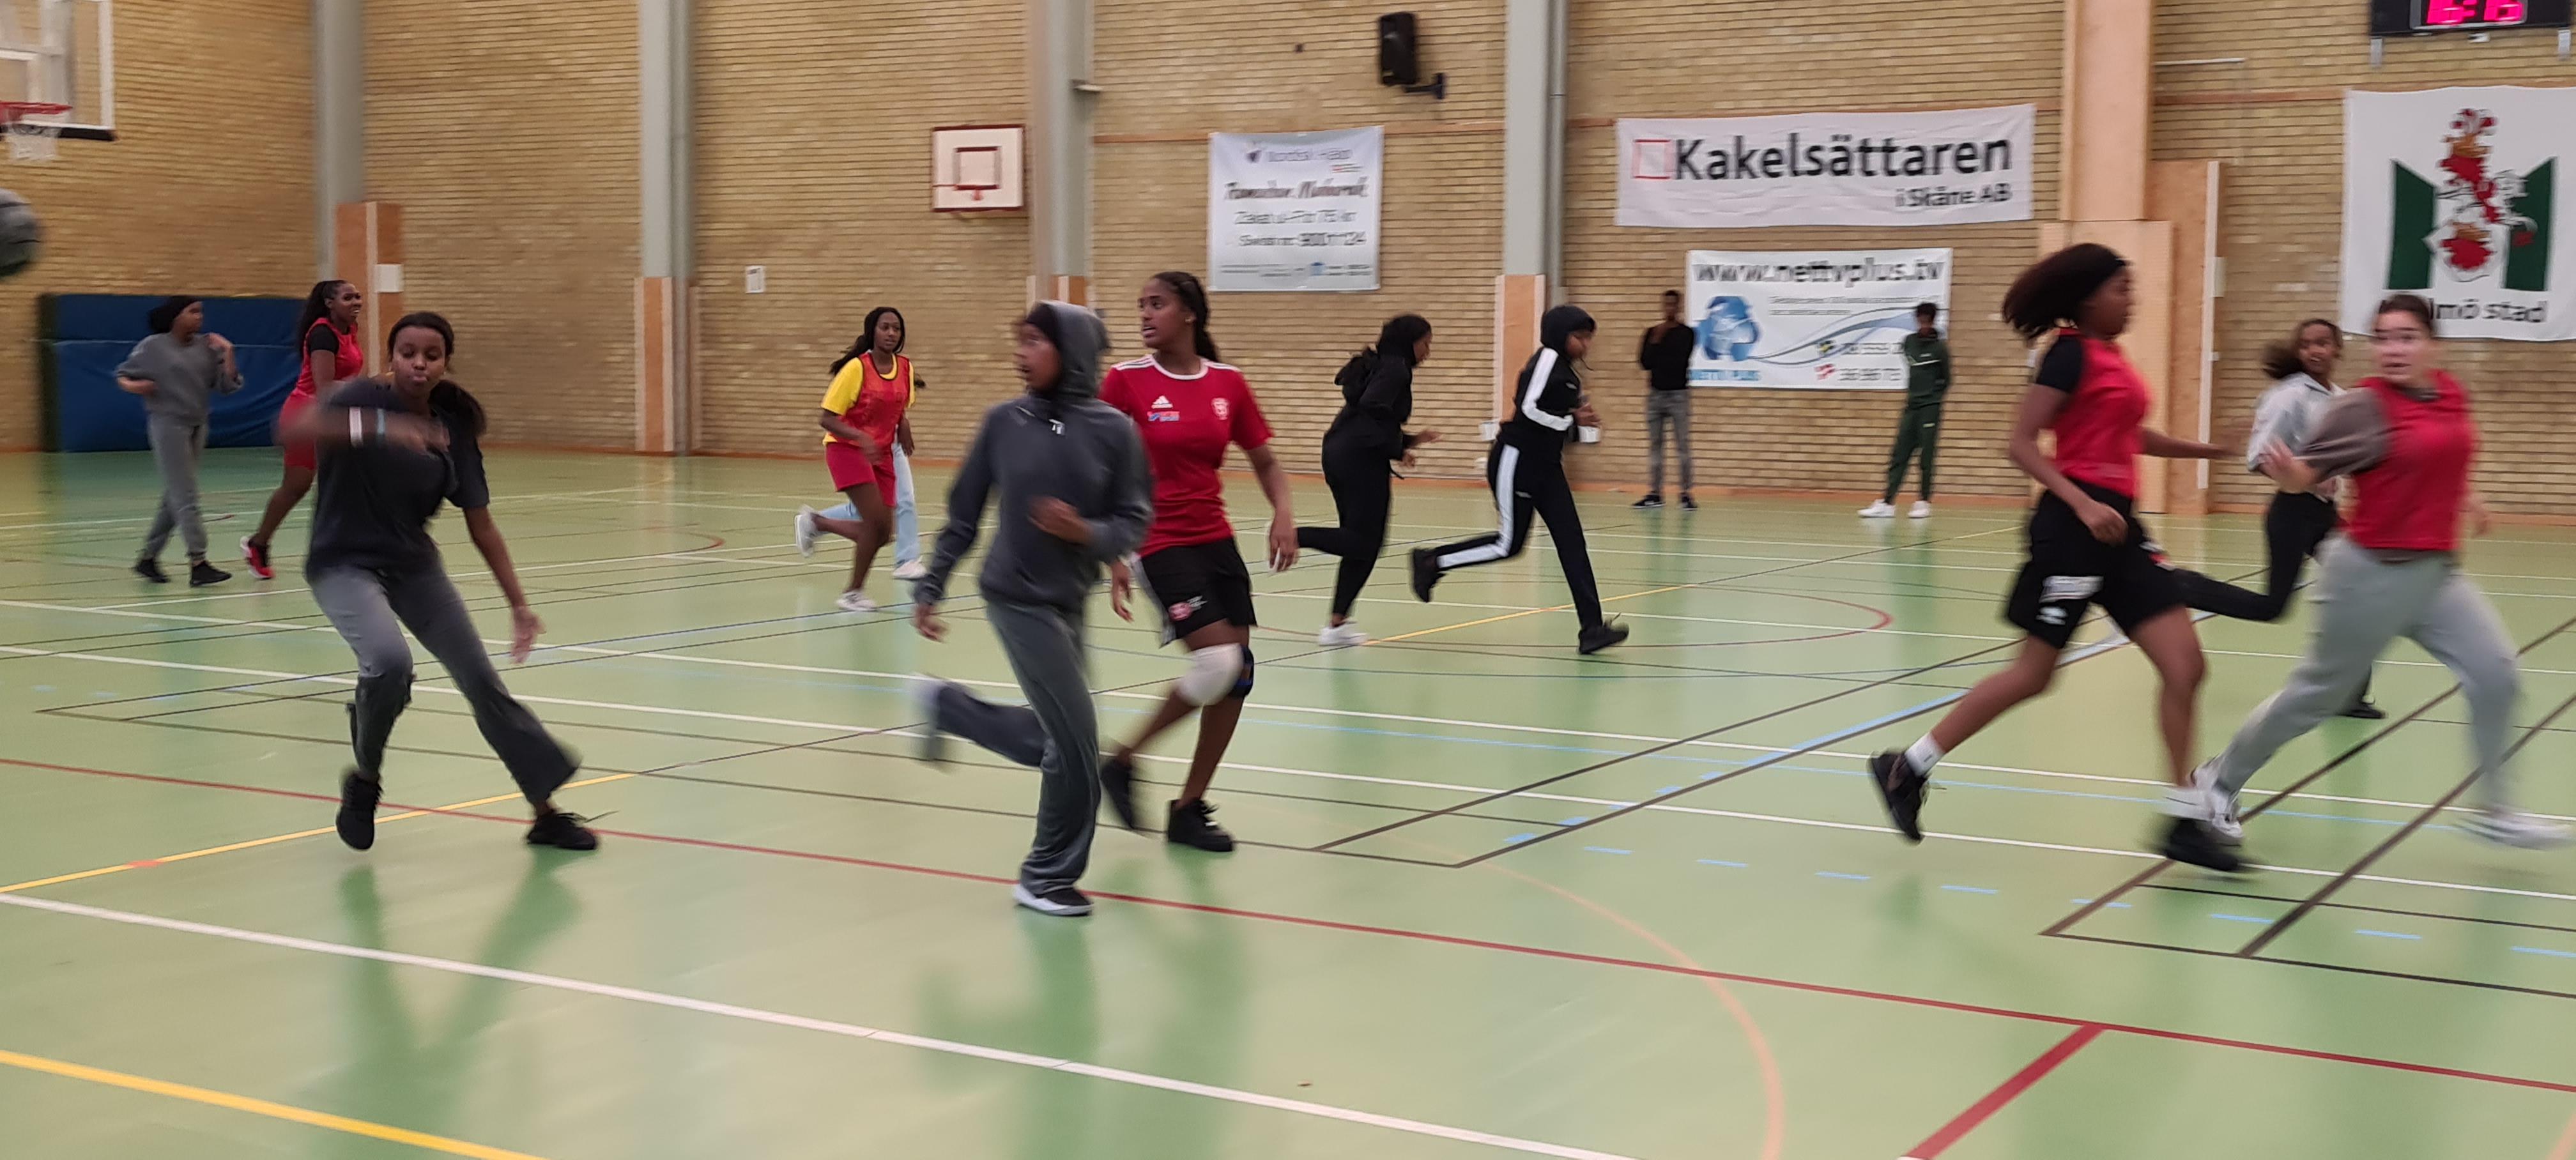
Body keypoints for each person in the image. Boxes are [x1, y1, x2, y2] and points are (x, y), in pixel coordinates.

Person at [1859, 244, 2239, 870]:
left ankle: (2184, 818)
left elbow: (2128, 435)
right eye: (2121, 289)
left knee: (2185, 664)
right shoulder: (2066, 353)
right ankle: (1908, 766)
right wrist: (2082, 503)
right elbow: (2020, 443)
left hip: (2121, 529)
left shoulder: (2110, 357)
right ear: (2087, 299)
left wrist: (2211, 452)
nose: (2131, 299)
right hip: (2073, 529)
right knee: (2035, 673)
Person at [2190, 295, 2569, 852]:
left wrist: (2465, 496)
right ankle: (2217, 782)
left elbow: (2442, 455)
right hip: (2367, 574)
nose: (2393, 349)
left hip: (2435, 575)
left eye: (2406, 337)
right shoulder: (2364, 408)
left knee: (2497, 674)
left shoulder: (2449, 393)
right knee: (2316, 697)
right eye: (2383, 338)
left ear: (2433, 346)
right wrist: (2288, 472)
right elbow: (2304, 476)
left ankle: (2496, 810)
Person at [278, 312, 597, 853]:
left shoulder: (453, 426)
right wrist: (382, 429)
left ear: (446, 362)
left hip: (414, 567)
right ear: (392, 357)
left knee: (481, 681)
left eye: (432, 355)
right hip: (343, 562)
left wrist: (519, 605)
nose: (419, 364)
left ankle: (544, 813)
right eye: (408, 353)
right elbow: (294, 428)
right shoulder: (360, 398)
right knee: (389, 663)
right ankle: (366, 780)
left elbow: (481, 524)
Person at [912, 301, 1153, 917]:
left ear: (1070, 351)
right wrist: (932, 584)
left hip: (1070, 599)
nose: (1020, 355)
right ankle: (1045, 877)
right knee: (1077, 745)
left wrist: (1088, 535)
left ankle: (950, 708)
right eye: (1018, 341)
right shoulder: (1004, 422)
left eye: (1033, 342)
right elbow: (964, 512)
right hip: (1014, 597)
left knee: (1061, 739)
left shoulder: (1115, 430)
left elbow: (1133, 520)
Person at [1092, 271, 1297, 853]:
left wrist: (1283, 513)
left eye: (1156, 304)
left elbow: (1265, 461)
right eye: (1141, 305)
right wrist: (1113, 552)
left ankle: (1188, 809)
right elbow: (1098, 466)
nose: (1145, 314)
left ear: (1189, 313)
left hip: (1216, 539)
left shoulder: (1227, 383)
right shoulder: (1126, 381)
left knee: (1240, 673)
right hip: (1157, 539)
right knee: (1218, 661)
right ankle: (1123, 761)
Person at [2170, 318, 2382, 719]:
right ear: (2299, 351)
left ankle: (2349, 696)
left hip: (2324, 515)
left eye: (2323, 343)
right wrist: (2304, 478)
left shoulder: (2339, 398)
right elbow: (2259, 455)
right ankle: (2184, 585)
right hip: (2292, 513)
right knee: (2274, 607)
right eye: (2307, 344)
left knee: (2360, 590)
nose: (2315, 350)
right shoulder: (2289, 396)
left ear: (2338, 348)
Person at [1410, 305, 1630, 655]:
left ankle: (1592, 629)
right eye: (1580, 337)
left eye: (1589, 338)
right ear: (1561, 336)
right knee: (1508, 545)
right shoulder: (1547, 360)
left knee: (1572, 543)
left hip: (1547, 466)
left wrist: (1577, 419)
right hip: (1517, 460)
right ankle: (1432, 561)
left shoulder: (1567, 371)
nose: (1586, 345)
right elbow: (1528, 408)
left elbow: (1555, 418)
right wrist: (1573, 421)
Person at [1296, 314, 1438, 646]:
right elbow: (1374, 406)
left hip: (1344, 452)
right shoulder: (1396, 369)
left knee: (1362, 542)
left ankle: (1337, 624)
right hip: (1357, 459)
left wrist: (1407, 443)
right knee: (1364, 543)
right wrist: (1397, 447)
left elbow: (1369, 417)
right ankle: (1293, 537)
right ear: (1409, 343)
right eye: (1425, 344)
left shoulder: (1384, 365)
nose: (1428, 352)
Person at [794, 307, 916, 611]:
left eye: (896, 329)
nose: (891, 333)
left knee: (884, 534)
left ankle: (817, 522)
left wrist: (903, 425)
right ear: (872, 331)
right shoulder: (856, 369)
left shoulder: (905, 368)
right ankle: (852, 593)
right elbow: (827, 418)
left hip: (882, 454)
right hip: (847, 449)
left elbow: (898, 403)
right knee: (874, 524)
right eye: (885, 327)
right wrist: (861, 438)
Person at [243, 280, 364, 580]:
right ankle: (259, 543)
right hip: (307, 415)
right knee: (296, 486)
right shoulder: (323, 334)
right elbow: (325, 389)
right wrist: (369, 388)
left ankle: (350, 548)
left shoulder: (350, 329)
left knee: (352, 480)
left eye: (358, 296)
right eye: (348, 298)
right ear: (329, 303)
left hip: (335, 415)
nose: (356, 302)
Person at [117, 296, 241, 587]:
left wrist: (229, 352)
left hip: (198, 424)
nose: (200, 317)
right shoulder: (153, 346)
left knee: (175, 496)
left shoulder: (206, 348)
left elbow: (227, 386)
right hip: (168, 424)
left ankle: (148, 558)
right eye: (193, 312)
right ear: (176, 317)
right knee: (186, 496)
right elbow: (123, 376)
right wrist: (138, 386)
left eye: (201, 312)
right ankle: (199, 562)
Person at [1860, 302, 1949, 519]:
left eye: (1928, 321)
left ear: (1933, 321)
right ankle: (1887, 503)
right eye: (1921, 321)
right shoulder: (1908, 343)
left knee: (1926, 456)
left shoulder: (1940, 349)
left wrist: (1932, 399)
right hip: (1911, 407)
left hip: (1930, 409)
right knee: (1900, 453)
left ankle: (1923, 502)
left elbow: (1947, 379)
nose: (1924, 325)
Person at [1636, 289, 1697, 510]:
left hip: (1678, 395)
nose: (1670, 308)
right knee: (1655, 445)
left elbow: (1678, 361)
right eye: (1667, 304)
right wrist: (1655, 340)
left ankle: (1686, 494)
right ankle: (1655, 493)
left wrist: (1661, 346)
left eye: (1673, 304)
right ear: (1663, 306)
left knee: (1683, 445)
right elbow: (1645, 363)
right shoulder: (1652, 332)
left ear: (1678, 307)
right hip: (1656, 395)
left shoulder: (1687, 334)